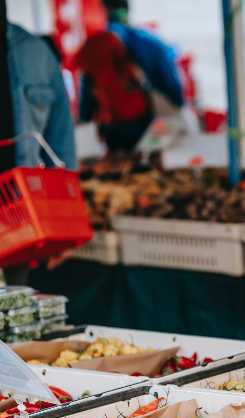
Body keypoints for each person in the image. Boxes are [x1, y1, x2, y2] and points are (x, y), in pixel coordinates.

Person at [1, 0, 76, 285]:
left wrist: (65, 224)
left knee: (15, 314)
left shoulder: (35, 52)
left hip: (20, 217)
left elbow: (61, 140)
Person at [78, 0, 184, 152]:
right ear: (127, 10)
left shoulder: (93, 44)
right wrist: (177, 103)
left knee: (120, 167)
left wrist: (86, 120)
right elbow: (174, 88)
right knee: (151, 165)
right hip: (148, 121)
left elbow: (87, 93)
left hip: (111, 126)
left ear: (103, 10)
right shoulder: (149, 41)